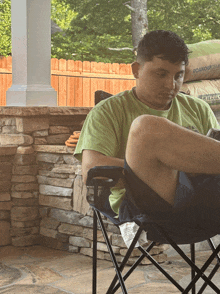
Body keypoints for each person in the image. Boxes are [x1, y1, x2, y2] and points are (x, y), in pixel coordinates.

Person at [74, 30, 220, 239]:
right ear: (137, 70)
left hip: (206, 205)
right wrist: (164, 164)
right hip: (147, 211)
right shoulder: (108, 111)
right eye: (161, 74)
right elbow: (91, 169)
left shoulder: (198, 108)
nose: (171, 85)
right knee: (145, 128)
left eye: (178, 75)